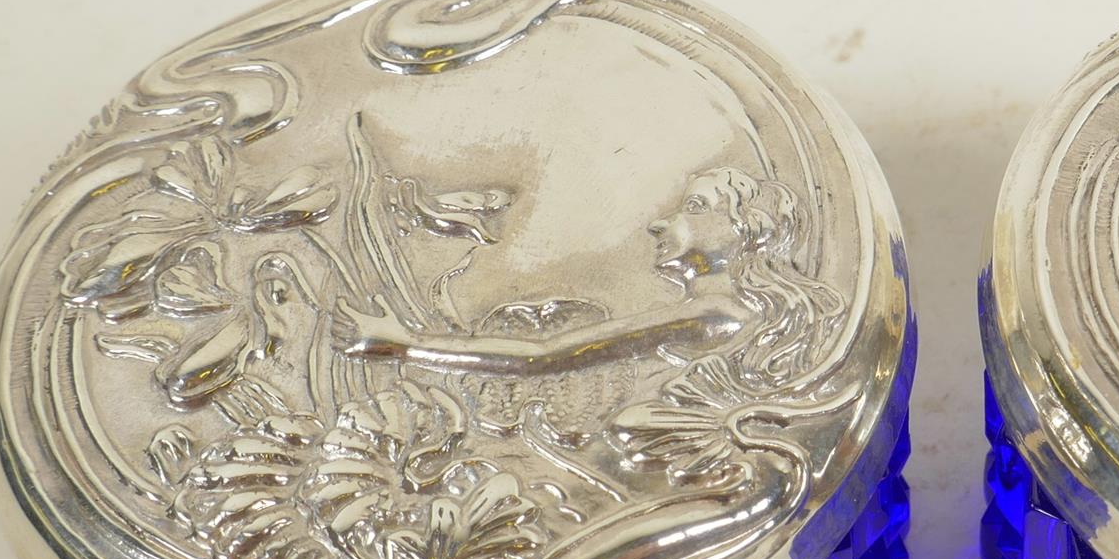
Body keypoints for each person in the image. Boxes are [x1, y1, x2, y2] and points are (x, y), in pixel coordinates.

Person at [332, 166, 842, 395]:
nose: (659, 223)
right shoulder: (725, 313)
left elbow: (543, 357)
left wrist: (406, 346)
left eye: (694, 207)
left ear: (743, 229)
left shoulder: (714, 315)